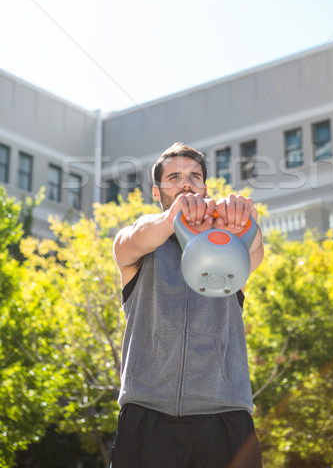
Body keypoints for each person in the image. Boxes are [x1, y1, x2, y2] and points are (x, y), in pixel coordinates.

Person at [111, 142, 264, 468]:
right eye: (174, 177)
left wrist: (244, 223)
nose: (186, 183)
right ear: (157, 192)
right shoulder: (140, 243)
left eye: (194, 176)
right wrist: (172, 218)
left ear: (205, 189)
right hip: (147, 417)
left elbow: (255, 253)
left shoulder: (230, 245)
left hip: (225, 415)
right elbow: (132, 239)